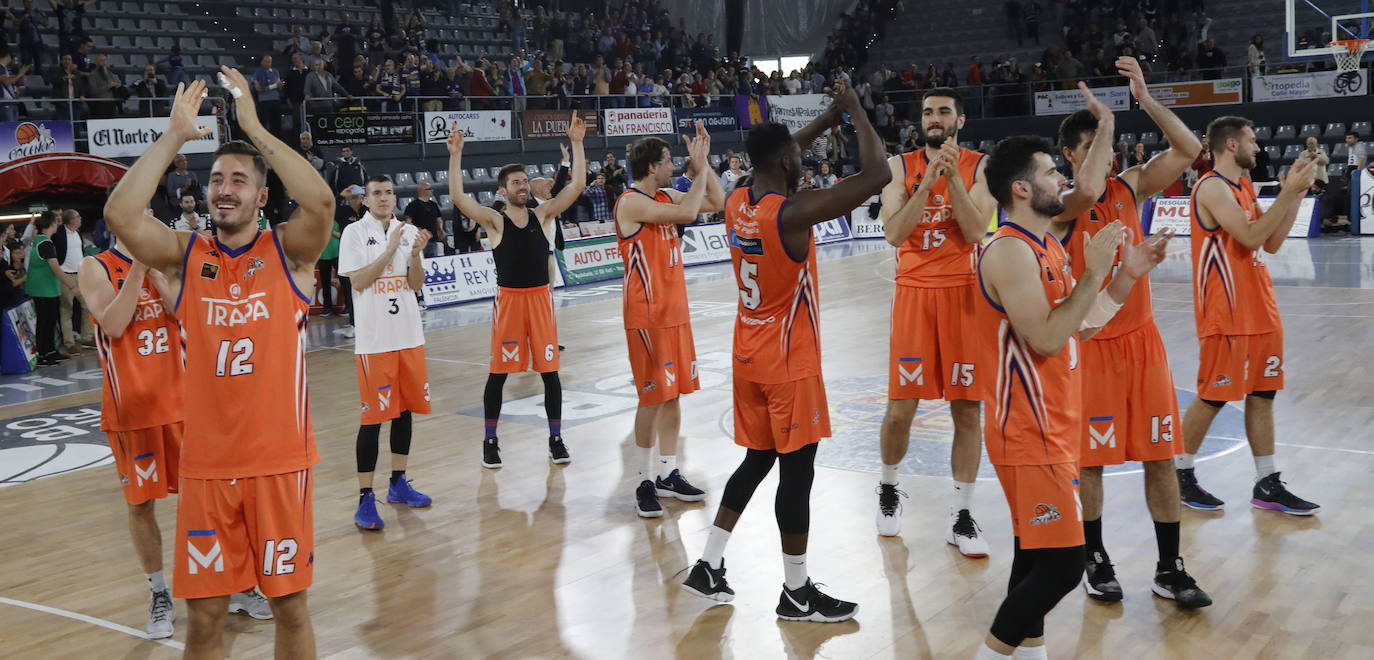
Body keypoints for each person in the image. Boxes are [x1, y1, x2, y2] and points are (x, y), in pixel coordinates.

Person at [102, 71, 334, 657]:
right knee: (204, 619)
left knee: (291, 607)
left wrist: (254, 128)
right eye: (216, 179)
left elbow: (321, 201)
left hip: (280, 462)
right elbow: (122, 216)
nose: (224, 188)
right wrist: (175, 137)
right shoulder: (183, 258)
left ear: (260, 195)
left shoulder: (291, 253)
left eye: (239, 180)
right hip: (206, 468)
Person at [680, 84, 886, 623]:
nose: (805, 156)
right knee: (797, 476)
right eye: (798, 156)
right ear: (784, 162)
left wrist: (828, 115)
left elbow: (781, 147)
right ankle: (796, 592)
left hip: (747, 356)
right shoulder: (790, 215)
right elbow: (878, 176)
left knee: (757, 460)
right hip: (790, 363)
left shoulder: (736, 201)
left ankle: (708, 562)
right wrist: (858, 113)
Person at [974, 134, 1163, 659]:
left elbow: (1078, 327)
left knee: (1031, 559)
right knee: (1062, 565)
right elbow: (1049, 338)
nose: (1062, 179)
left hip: (1052, 423)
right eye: (1051, 172)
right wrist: (1097, 271)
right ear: (1020, 189)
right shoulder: (1009, 251)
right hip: (1028, 429)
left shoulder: (1046, 244)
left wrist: (1125, 275)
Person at [1051, 58, 1212, 608]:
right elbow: (1090, 185)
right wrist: (1107, 124)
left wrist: (1145, 99)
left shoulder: (1130, 187)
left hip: (1142, 343)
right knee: (1090, 461)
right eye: (1095, 141)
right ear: (1071, 155)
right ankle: (1093, 557)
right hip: (1091, 345)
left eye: (1109, 141)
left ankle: (1170, 567)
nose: (1109, 150)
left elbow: (1190, 150)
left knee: (1161, 457)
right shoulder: (1062, 207)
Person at [873, 87, 998, 553]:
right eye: (928, 112)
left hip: (963, 298)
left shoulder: (981, 166)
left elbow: (972, 231)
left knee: (967, 410)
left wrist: (955, 181)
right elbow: (893, 233)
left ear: (960, 120)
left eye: (944, 111)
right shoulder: (899, 167)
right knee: (901, 409)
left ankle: (962, 517)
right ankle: (888, 487)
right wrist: (927, 184)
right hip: (914, 297)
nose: (934, 117)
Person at [1178, 116, 1321, 516]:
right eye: (1252, 141)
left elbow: (1272, 242)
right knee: (1213, 397)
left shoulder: (1242, 186)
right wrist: (1287, 191)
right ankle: (1180, 472)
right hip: (1226, 314)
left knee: (1262, 396)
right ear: (1231, 146)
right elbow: (1251, 236)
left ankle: (1267, 482)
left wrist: (1294, 195)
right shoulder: (1210, 187)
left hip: (1261, 308)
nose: (1258, 147)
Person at [448, 113, 586, 468]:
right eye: (516, 183)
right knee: (498, 374)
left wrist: (578, 144)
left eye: (525, 181)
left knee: (550, 373)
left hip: (541, 300)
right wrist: (455, 155)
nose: (523, 186)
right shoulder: (496, 221)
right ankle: (489, 441)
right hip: (510, 302)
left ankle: (556, 438)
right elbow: (459, 197)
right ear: (503, 190)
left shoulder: (542, 216)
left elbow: (575, 188)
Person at [614, 126, 724, 518]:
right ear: (650, 166)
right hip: (647, 317)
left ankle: (667, 472)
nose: (673, 166)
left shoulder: (665, 194)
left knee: (673, 394)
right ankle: (644, 479)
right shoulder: (630, 202)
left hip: (675, 313)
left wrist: (703, 165)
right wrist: (694, 172)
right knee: (652, 397)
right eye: (668, 161)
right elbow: (691, 211)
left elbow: (717, 200)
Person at [338, 175, 434, 531]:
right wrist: (391, 248)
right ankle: (365, 497)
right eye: (377, 193)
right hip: (376, 342)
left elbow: (415, 284)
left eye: (389, 192)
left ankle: (398, 482)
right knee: (372, 419)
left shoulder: (408, 232)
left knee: (405, 411)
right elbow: (360, 282)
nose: (384, 198)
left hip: (408, 336)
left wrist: (415, 254)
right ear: (366, 199)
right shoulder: (354, 233)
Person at [25, 211, 69, 364]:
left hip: (46, 289)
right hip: (43, 290)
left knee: (49, 322)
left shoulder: (40, 241)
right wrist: (72, 286)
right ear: (51, 224)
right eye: (56, 221)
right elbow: (56, 269)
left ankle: (50, 351)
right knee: (45, 322)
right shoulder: (45, 244)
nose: (58, 224)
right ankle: (44, 354)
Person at [52, 209, 93, 353]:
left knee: (87, 306)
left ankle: (87, 338)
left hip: (79, 274)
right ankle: (69, 343)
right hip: (65, 275)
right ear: (71, 220)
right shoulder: (59, 233)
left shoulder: (78, 233)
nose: (81, 218)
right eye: (78, 216)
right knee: (66, 310)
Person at [402, 181, 445, 258]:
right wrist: (420, 231)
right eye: (429, 189)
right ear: (422, 191)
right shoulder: (412, 205)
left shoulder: (433, 204)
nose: (432, 190)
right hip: (419, 241)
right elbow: (408, 222)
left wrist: (441, 229)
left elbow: (439, 219)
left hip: (432, 239)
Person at [253, 54, 285, 138]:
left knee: (277, 124)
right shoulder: (257, 73)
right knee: (263, 123)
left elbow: (279, 87)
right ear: (262, 62)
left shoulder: (275, 71)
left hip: (275, 100)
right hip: (264, 101)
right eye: (266, 62)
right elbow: (258, 88)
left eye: (270, 62)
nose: (268, 64)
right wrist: (273, 86)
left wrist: (280, 85)